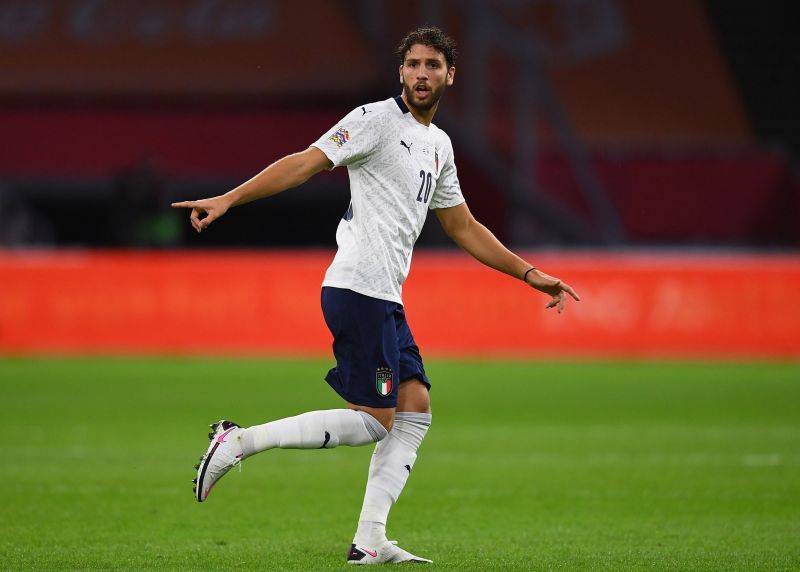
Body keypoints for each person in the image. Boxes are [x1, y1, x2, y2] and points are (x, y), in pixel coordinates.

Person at [173, 26, 579, 566]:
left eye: (432, 65)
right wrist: (231, 198)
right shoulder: (374, 121)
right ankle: (238, 442)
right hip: (356, 288)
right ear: (401, 72)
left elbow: (462, 226)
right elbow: (306, 161)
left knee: (414, 409)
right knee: (375, 420)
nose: (420, 74)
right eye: (412, 64)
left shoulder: (439, 146)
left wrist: (530, 275)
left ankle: (369, 541)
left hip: (384, 298)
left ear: (449, 75)